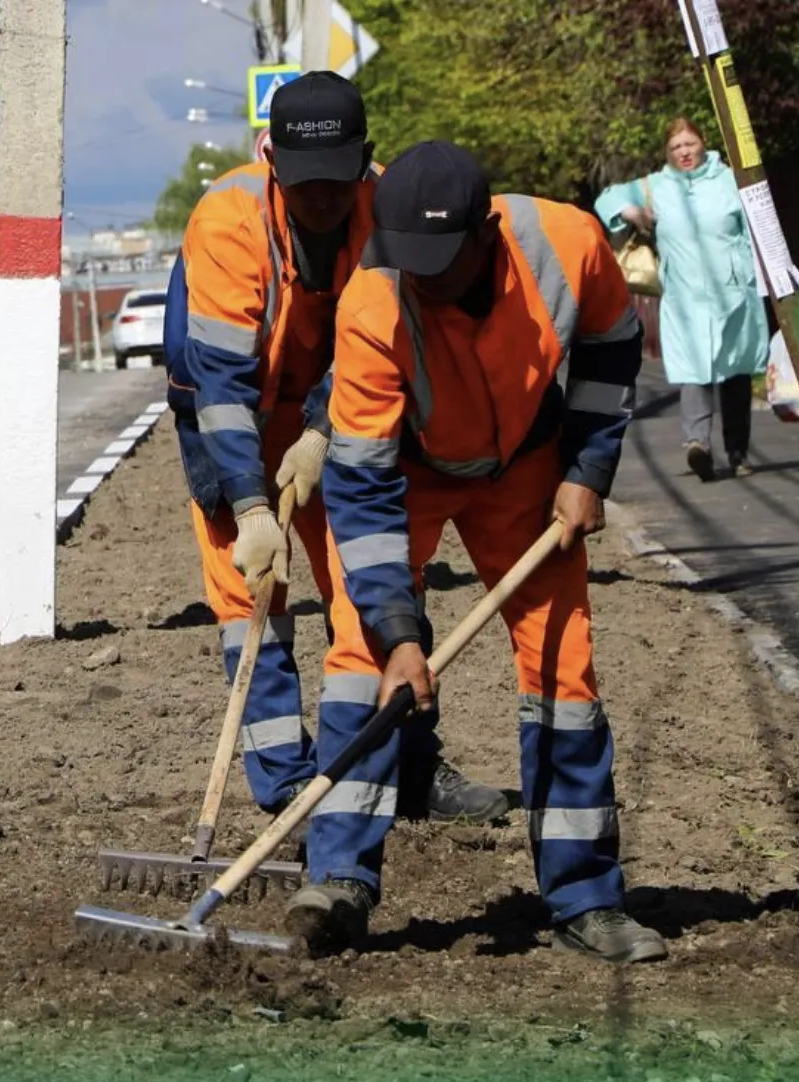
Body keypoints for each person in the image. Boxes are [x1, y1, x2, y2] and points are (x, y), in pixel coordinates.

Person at [290, 140, 667, 965]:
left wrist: (587, 469)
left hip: (526, 471)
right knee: (362, 660)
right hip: (412, 471)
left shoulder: (567, 246)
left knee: (564, 666)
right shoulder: (372, 304)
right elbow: (362, 486)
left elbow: (609, 349)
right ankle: (340, 879)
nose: (420, 279)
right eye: (407, 262)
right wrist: (400, 633)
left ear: (484, 231)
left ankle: (586, 900)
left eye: (440, 262)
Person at [164, 74, 508, 831]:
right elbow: (218, 379)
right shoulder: (227, 219)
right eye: (303, 184)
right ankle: (287, 786)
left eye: (336, 182)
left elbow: (380, 339)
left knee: (377, 581)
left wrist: (323, 429)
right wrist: (252, 504)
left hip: (346, 408)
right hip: (231, 413)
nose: (321, 199)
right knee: (250, 599)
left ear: (365, 160)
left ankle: (410, 766)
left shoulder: (395, 212)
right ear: (271, 160)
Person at [595, 117, 768, 481]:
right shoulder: (657, 185)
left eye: (689, 144)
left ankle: (737, 453)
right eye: (676, 148)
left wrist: (763, 281)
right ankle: (697, 445)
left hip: (733, 292)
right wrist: (632, 212)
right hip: (685, 296)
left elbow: (757, 229)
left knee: (735, 373)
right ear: (667, 153)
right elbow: (606, 198)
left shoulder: (728, 180)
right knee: (695, 370)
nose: (684, 152)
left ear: (703, 143)